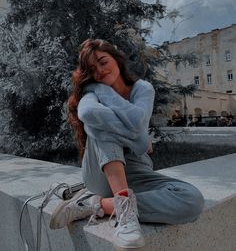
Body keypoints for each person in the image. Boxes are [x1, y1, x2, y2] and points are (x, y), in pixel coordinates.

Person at [49, 39, 204, 249]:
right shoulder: (93, 92)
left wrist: (110, 99)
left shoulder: (142, 88)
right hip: (101, 173)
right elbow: (88, 113)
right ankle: (125, 216)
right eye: (93, 69)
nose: (100, 71)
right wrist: (140, 139)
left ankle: (96, 205)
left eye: (103, 61)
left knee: (192, 200)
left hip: (137, 172)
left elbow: (138, 120)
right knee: (100, 124)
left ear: (116, 59)